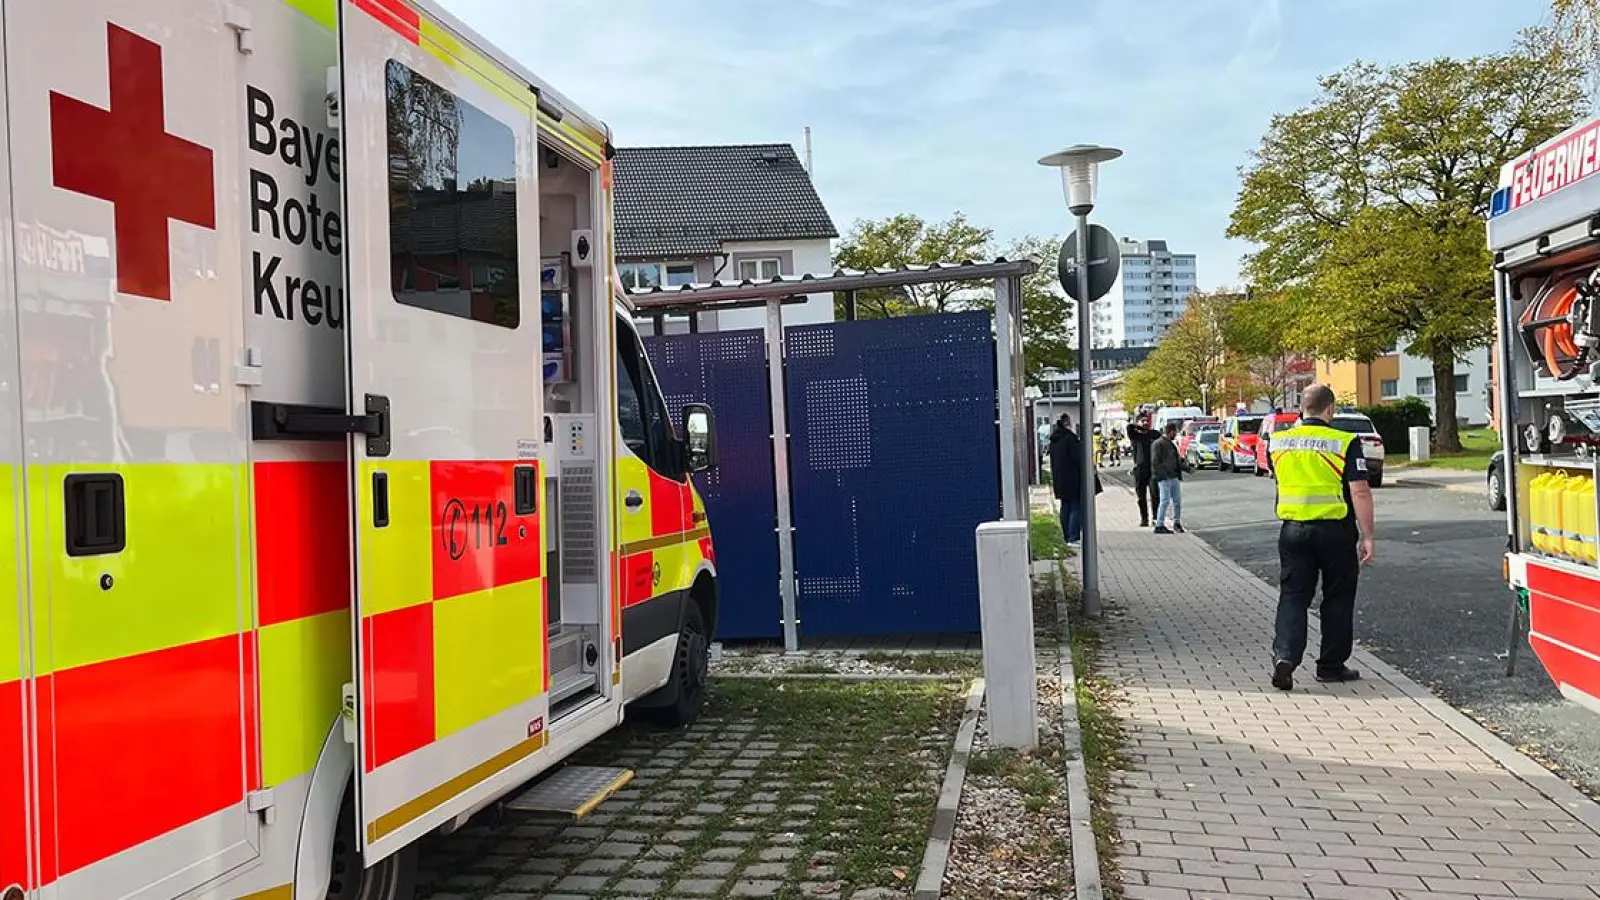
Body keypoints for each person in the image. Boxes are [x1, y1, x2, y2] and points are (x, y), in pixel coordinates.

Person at [1268, 384, 1376, 691]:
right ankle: (1330, 666)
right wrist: (1368, 536)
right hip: (1334, 530)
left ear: (1302, 409)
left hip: (1292, 529)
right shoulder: (1344, 441)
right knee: (1338, 597)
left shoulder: (1277, 442)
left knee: (1293, 596)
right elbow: (1360, 490)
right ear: (1330, 410)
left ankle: (1285, 657)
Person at [1048, 414, 1085, 544]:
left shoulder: (1054, 440)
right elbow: (1078, 458)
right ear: (1067, 423)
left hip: (1059, 479)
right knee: (1076, 506)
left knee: (1065, 506)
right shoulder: (1070, 439)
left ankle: (1066, 536)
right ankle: (1073, 537)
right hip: (1073, 478)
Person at [1149, 422, 1188, 534]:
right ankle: (1159, 524)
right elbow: (1155, 462)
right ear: (1170, 432)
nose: (1175, 434)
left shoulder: (1171, 444)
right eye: (1175, 432)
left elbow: (1175, 462)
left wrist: (1186, 469)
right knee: (1164, 500)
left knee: (1177, 501)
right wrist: (1161, 475)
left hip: (1173, 476)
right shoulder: (1158, 444)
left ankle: (1177, 522)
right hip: (1164, 477)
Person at [1125, 412, 1159, 527]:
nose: (1145, 423)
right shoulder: (1135, 436)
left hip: (1153, 469)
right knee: (1141, 497)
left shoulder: (1153, 434)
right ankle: (1144, 519)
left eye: (1147, 421)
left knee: (1155, 495)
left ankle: (1156, 518)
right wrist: (1138, 427)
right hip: (1140, 469)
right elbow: (1129, 427)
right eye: (1142, 421)